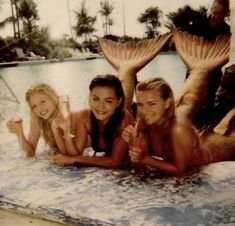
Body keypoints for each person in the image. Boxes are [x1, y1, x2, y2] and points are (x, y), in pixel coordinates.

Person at [122, 77, 235, 176]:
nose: (145, 110)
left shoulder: (178, 128)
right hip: (201, 142)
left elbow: (180, 169)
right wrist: (132, 142)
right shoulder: (144, 121)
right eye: (140, 104)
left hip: (216, 155)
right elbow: (139, 164)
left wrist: (145, 158)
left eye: (152, 104)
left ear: (167, 103)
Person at [53, 74, 134, 169]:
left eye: (108, 101)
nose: (100, 106)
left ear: (118, 102)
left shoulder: (124, 118)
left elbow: (115, 162)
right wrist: (64, 130)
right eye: (95, 99)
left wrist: (73, 159)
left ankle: (128, 71)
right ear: (89, 97)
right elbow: (75, 153)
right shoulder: (84, 116)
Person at [186, 0, 230, 128]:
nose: (216, 16)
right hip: (193, 72)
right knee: (190, 106)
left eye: (220, 14)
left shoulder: (228, 32)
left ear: (226, 13)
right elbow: (188, 48)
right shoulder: (197, 26)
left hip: (215, 76)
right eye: (214, 12)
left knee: (209, 110)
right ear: (211, 10)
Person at [6, 83, 79, 157]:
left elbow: (72, 152)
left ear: (52, 98)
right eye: (34, 106)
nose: (39, 109)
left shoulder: (63, 110)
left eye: (43, 101)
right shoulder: (37, 118)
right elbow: (30, 153)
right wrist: (20, 133)